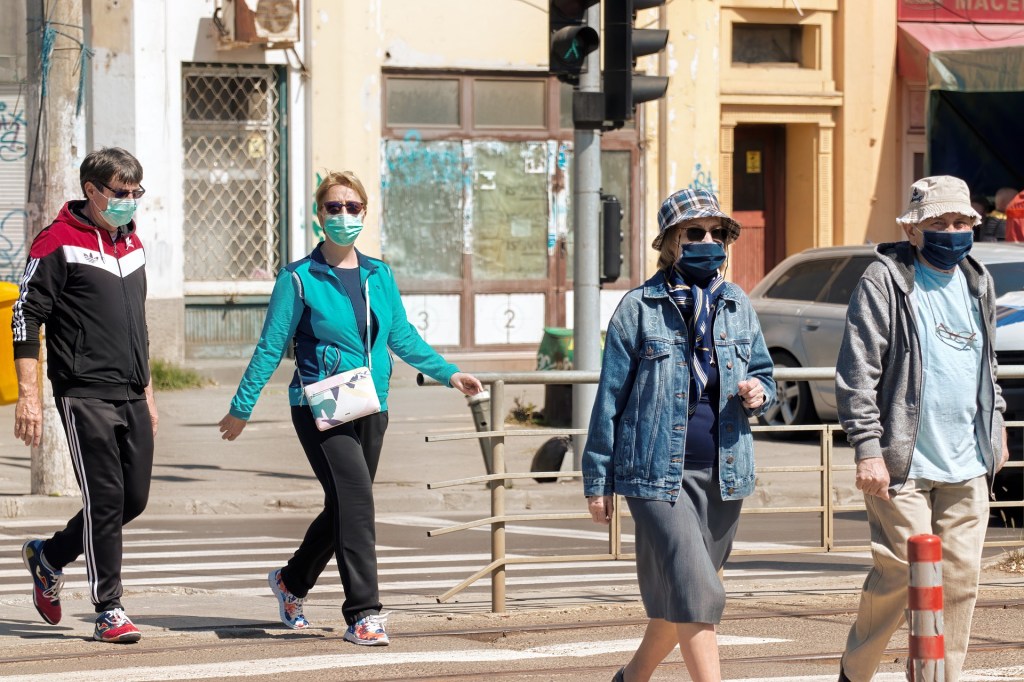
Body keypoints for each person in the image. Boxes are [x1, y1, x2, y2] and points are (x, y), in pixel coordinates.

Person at [217, 170, 483, 646]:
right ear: (319, 216)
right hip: (322, 402)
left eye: (352, 207)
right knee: (358, 501)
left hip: (371, 401)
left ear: (364, 212)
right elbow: (270, 346)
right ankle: (364, 613)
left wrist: (449, 373)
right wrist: (242, 408)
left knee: (346, 503)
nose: (343, 216)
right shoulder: (298, 279)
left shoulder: (378, 275)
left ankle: (291, 581)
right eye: (333, 208)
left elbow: (400, 335)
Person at [583, 188, 776, 682]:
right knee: (698, 591)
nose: (708, 240)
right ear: (671, 242)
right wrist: (597, 478)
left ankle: (632, 677)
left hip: (724, 470)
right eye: (695, 232)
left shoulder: (736, 304)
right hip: (654, 473)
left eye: (718, 233)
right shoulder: (638, 308)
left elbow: (765, 374)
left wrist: (760, 391)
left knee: (688, 594)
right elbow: (610, 398)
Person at [835, 175, 1009, 681]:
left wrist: (995, 424)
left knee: (958, 582)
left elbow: (986, 363)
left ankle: (937, 677)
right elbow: (858, 370)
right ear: (913, 230)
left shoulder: (978, 278)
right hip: (902, 461)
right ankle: (856, 670)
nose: (951, 232)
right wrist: (868, 448)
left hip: (968, 459)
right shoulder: (884, 280)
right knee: (906, 574)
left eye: (960, 222)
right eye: (938, 223)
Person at [13, 147, 156, 643]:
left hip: (132, 390)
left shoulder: (131, 240)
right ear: (92, 190)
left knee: (132, 499)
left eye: (136, 192)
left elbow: (137, 323)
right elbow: (23, 317)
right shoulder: (56, 241)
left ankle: (49, 558)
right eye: (120, 193)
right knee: (105, 497)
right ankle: (109, 608)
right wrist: (28, 396)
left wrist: (151, 391)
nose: (130, 201)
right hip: (83, 391)